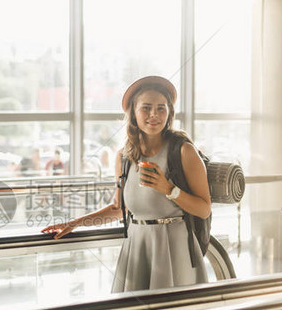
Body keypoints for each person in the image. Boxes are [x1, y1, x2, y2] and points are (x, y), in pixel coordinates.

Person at [41, 75, 211, 292]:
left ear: (169, 112)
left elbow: (204, 209)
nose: (154, 115)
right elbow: (118, 208)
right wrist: (74, 223)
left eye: (161, 108)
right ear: (133, 112)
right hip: (137, 246)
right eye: (146, 108)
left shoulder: (184, 151)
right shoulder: (124, 156)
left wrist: (169, 189)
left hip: (175, 249)